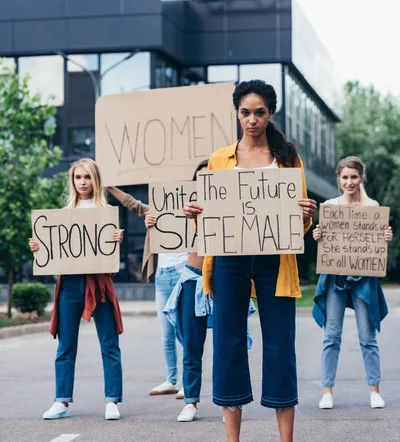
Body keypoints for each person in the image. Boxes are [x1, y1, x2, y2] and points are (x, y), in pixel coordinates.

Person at [183, 80, 316, 442]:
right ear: (237, 114)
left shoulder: (288, 158)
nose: (252, 120)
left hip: (275, 260)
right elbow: (211, 212)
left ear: (270, 113)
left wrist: (306, 216)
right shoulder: (219, 160)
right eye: (245, 112)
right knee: (227, 343)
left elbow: (299, 224)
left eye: (259, 112)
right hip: (229, 260)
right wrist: (197, 214)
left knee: (280, 345)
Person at [160, 160, 256, 423]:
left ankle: (229, 404)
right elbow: (164, 234)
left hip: (224, 279)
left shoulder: (233, 207)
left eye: (210, 177)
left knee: (227, 345)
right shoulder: (187, 209)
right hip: (192, 279)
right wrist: (152, 223)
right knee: (192, 345)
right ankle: (191, 401)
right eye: (200, 178)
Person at [29, 158, 124, 420]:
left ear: (96, 180)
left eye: (87, 177)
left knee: (109, 342)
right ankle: (61, 400)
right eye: (78, 178)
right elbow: (54, 249)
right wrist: (40, 247)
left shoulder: (106, 212)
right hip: (70, 282)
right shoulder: (64, 213)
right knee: (66, 344)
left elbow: (110, 258)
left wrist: (117, 241)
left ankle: (112, 400)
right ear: (72, 181)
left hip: (99, 282)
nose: (82, 182)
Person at [312, 156, 393, 410]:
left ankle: (374, 390)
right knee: (331, 335)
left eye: (354, 177)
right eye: (345, 177)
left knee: (367, 336)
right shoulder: (330, 206)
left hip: (363, 279)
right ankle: (327, 391)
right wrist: (318, 235)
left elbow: (376, 244)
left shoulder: (372, 208)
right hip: (335, 276)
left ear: (361, 178)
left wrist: (385, 236)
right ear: (339, 179)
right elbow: (326, 241)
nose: (349, 182)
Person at [108, 185, 187, 397]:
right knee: (166, 334)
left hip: (184, 273)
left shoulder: (193, 209)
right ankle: (171, 380)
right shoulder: (155, 211)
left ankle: (188, 382)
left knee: (185, 331)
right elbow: (131, 203)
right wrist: (109, 186)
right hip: (162, 275)